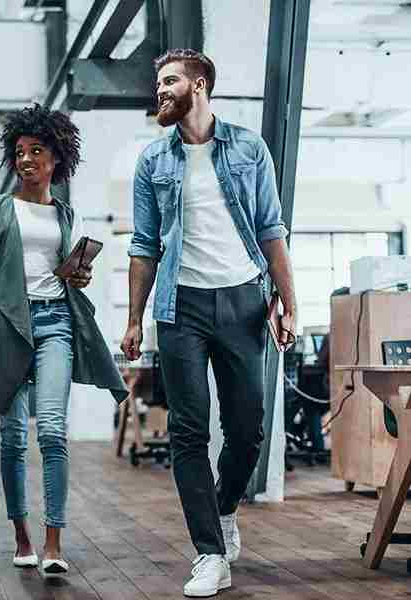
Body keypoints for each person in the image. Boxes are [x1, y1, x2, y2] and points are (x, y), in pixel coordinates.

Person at [120, 49, 298, 598]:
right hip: (180, 307)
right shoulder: (154, 160)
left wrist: (289, 302)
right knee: (189, 433)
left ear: (199, 85)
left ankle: (223, 509)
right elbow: (144, 245)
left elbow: (271, 228)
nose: (161, 91)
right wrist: (133, 318)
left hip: (244, 301)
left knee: (248, 429)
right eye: (159, 83)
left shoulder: (248, 147)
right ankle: (209, 554)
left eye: (170, 81)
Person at [0, 104, 128, 577]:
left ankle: (54, 540)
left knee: (52, 429)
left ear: (57, 159)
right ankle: (22, 535)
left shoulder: (66, 214)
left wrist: (81, 272)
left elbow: (76, 277)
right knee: (14, 434)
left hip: (56, 321)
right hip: (7, 326)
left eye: (37, 151)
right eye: (20, 151)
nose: (26, 159)